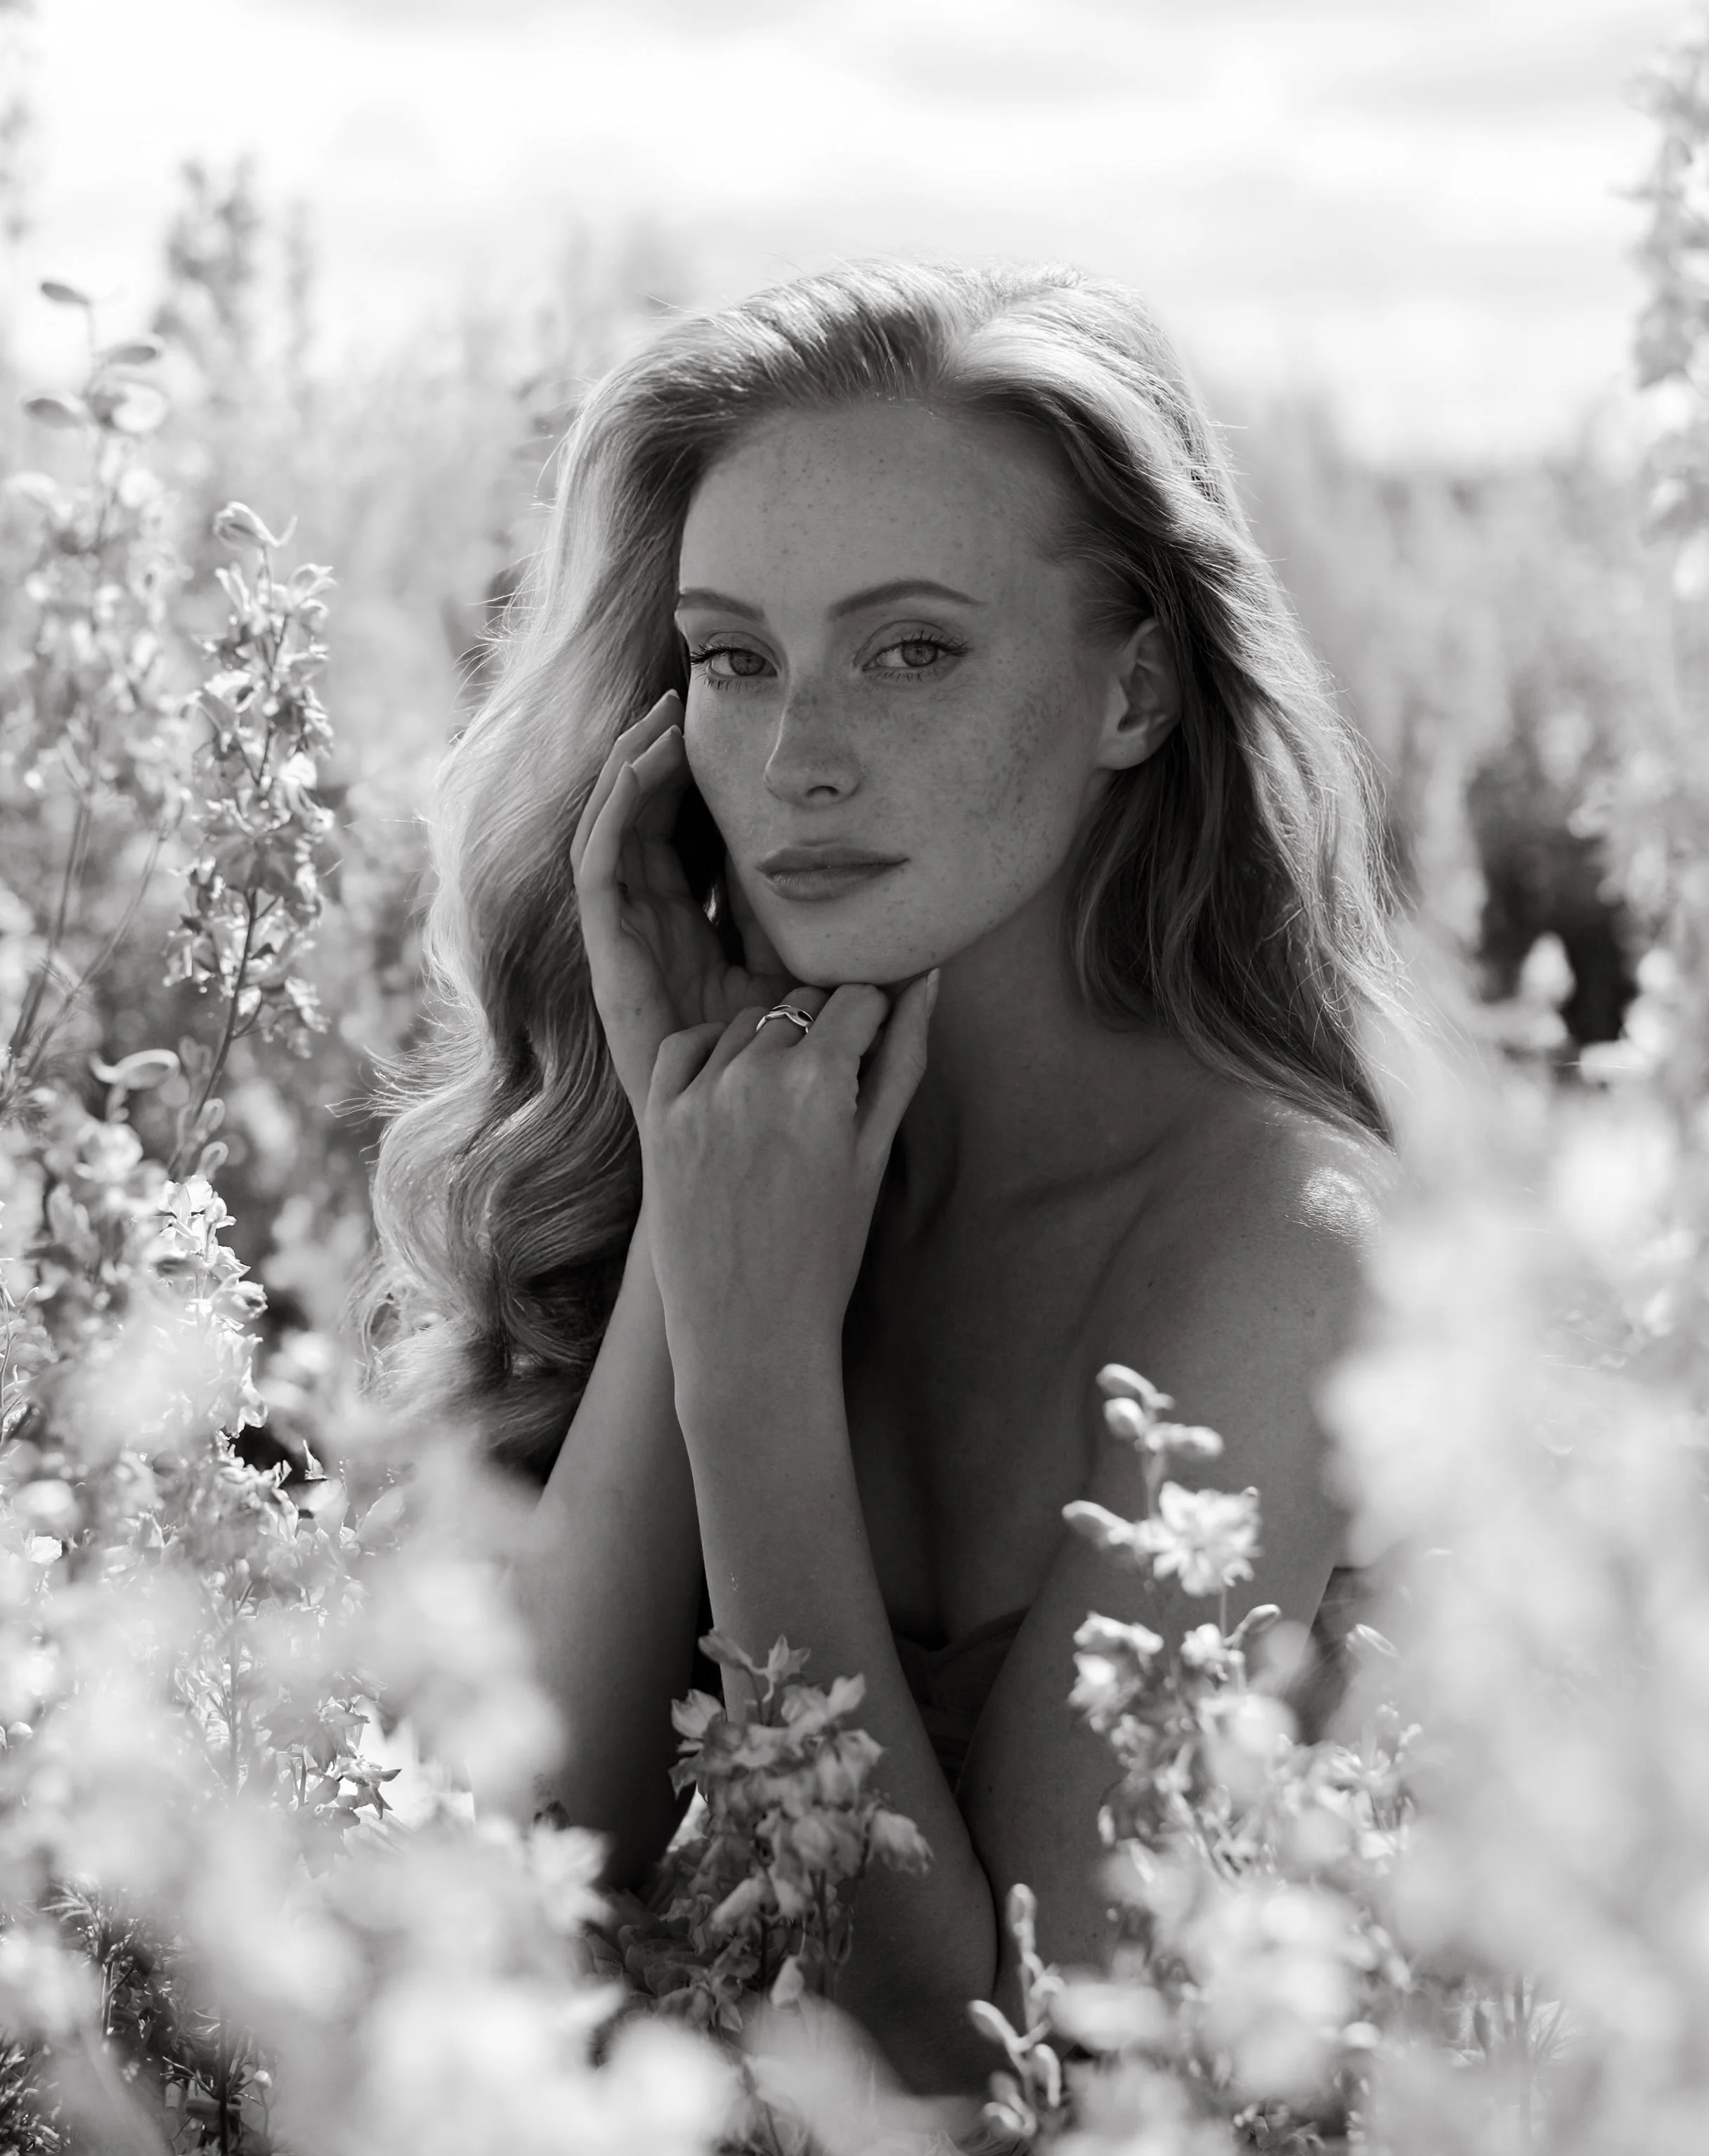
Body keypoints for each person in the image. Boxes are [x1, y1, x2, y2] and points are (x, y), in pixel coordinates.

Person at [365, 260, 1399, 2094]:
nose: (796, 758)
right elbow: (499, 1878)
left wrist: (760, 1377)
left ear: (1139, 686)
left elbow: (991, 2072)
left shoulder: (1282, 1245)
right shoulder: (749, 1161)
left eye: (910, 648)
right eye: (730, 658)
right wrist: (695, 1181)